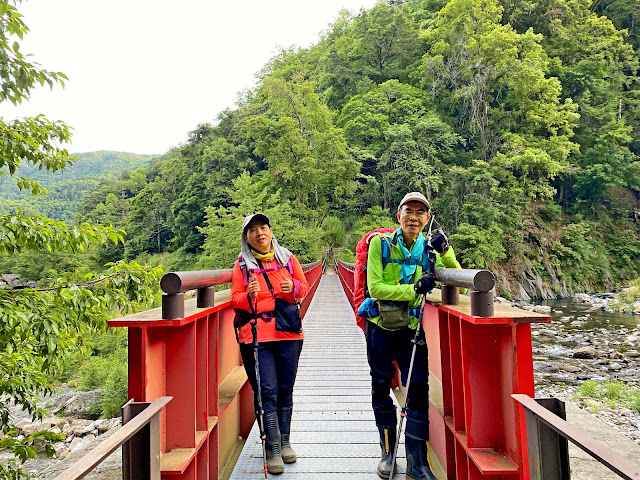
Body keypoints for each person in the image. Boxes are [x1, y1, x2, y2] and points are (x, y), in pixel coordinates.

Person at [364, 192, 463, 480]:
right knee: (381, 387)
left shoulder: (430, 251)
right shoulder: (379, 245)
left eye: (421, 212)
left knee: (418, 391)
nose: (414, 216)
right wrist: (415, 290)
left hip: (412, 330)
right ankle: (387, 454)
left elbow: (463, 287)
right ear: (399, 215)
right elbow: (375, 289)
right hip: (379, 328)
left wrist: (446, 251)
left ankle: (417, 464)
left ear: (427, 218)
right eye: (409, 211)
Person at [231, 213, 309, 475]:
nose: (259, 233)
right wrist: (248, 296)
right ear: (246, 238)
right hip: (257, 336)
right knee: (267, 391)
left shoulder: (287, 258)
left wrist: (293, 287)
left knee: (286, 388)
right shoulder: (242, 265)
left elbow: (303, 288)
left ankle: (285, 442)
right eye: (253, 230)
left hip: (288, 333)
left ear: (271, 231)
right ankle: (272, 449)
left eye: (263, 227)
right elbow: (235, 299)